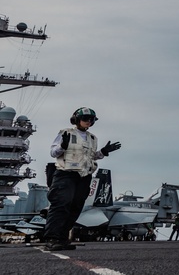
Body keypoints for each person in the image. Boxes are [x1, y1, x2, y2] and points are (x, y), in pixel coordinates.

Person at [42, 107, 121, 251]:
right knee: (61, 205)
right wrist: (62, 146)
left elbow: (90, 157)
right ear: (77, 120)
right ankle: (52, 239)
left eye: (91, 120)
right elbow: (53, 153)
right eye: (86, 119)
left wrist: (102, 152)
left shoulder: (92, 138)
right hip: (66, 174)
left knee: (76, 207)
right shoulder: (66, 133)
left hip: (84, 176)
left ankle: (62, 238)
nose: (88, 122)